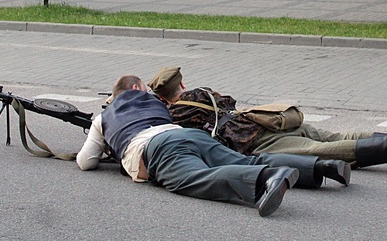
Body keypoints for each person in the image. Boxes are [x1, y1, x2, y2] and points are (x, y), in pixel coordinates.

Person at [78, 75, 352, 217]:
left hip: (156, 151)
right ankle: (321, 167)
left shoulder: (104, 117)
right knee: (244, 161)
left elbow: (85, 161)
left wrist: (108, 143)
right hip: (189, 136)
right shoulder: (156, 102)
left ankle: (268, 179)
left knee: (198, 179)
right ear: (138, 89)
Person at [141, 67, 387, 178]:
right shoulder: (203, 92)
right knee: (333, 136)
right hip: (269, 121)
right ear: (182, 83)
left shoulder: (175, 114)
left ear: (163, 97)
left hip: (254, 141)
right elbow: (229, 103)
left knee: (325, 150)